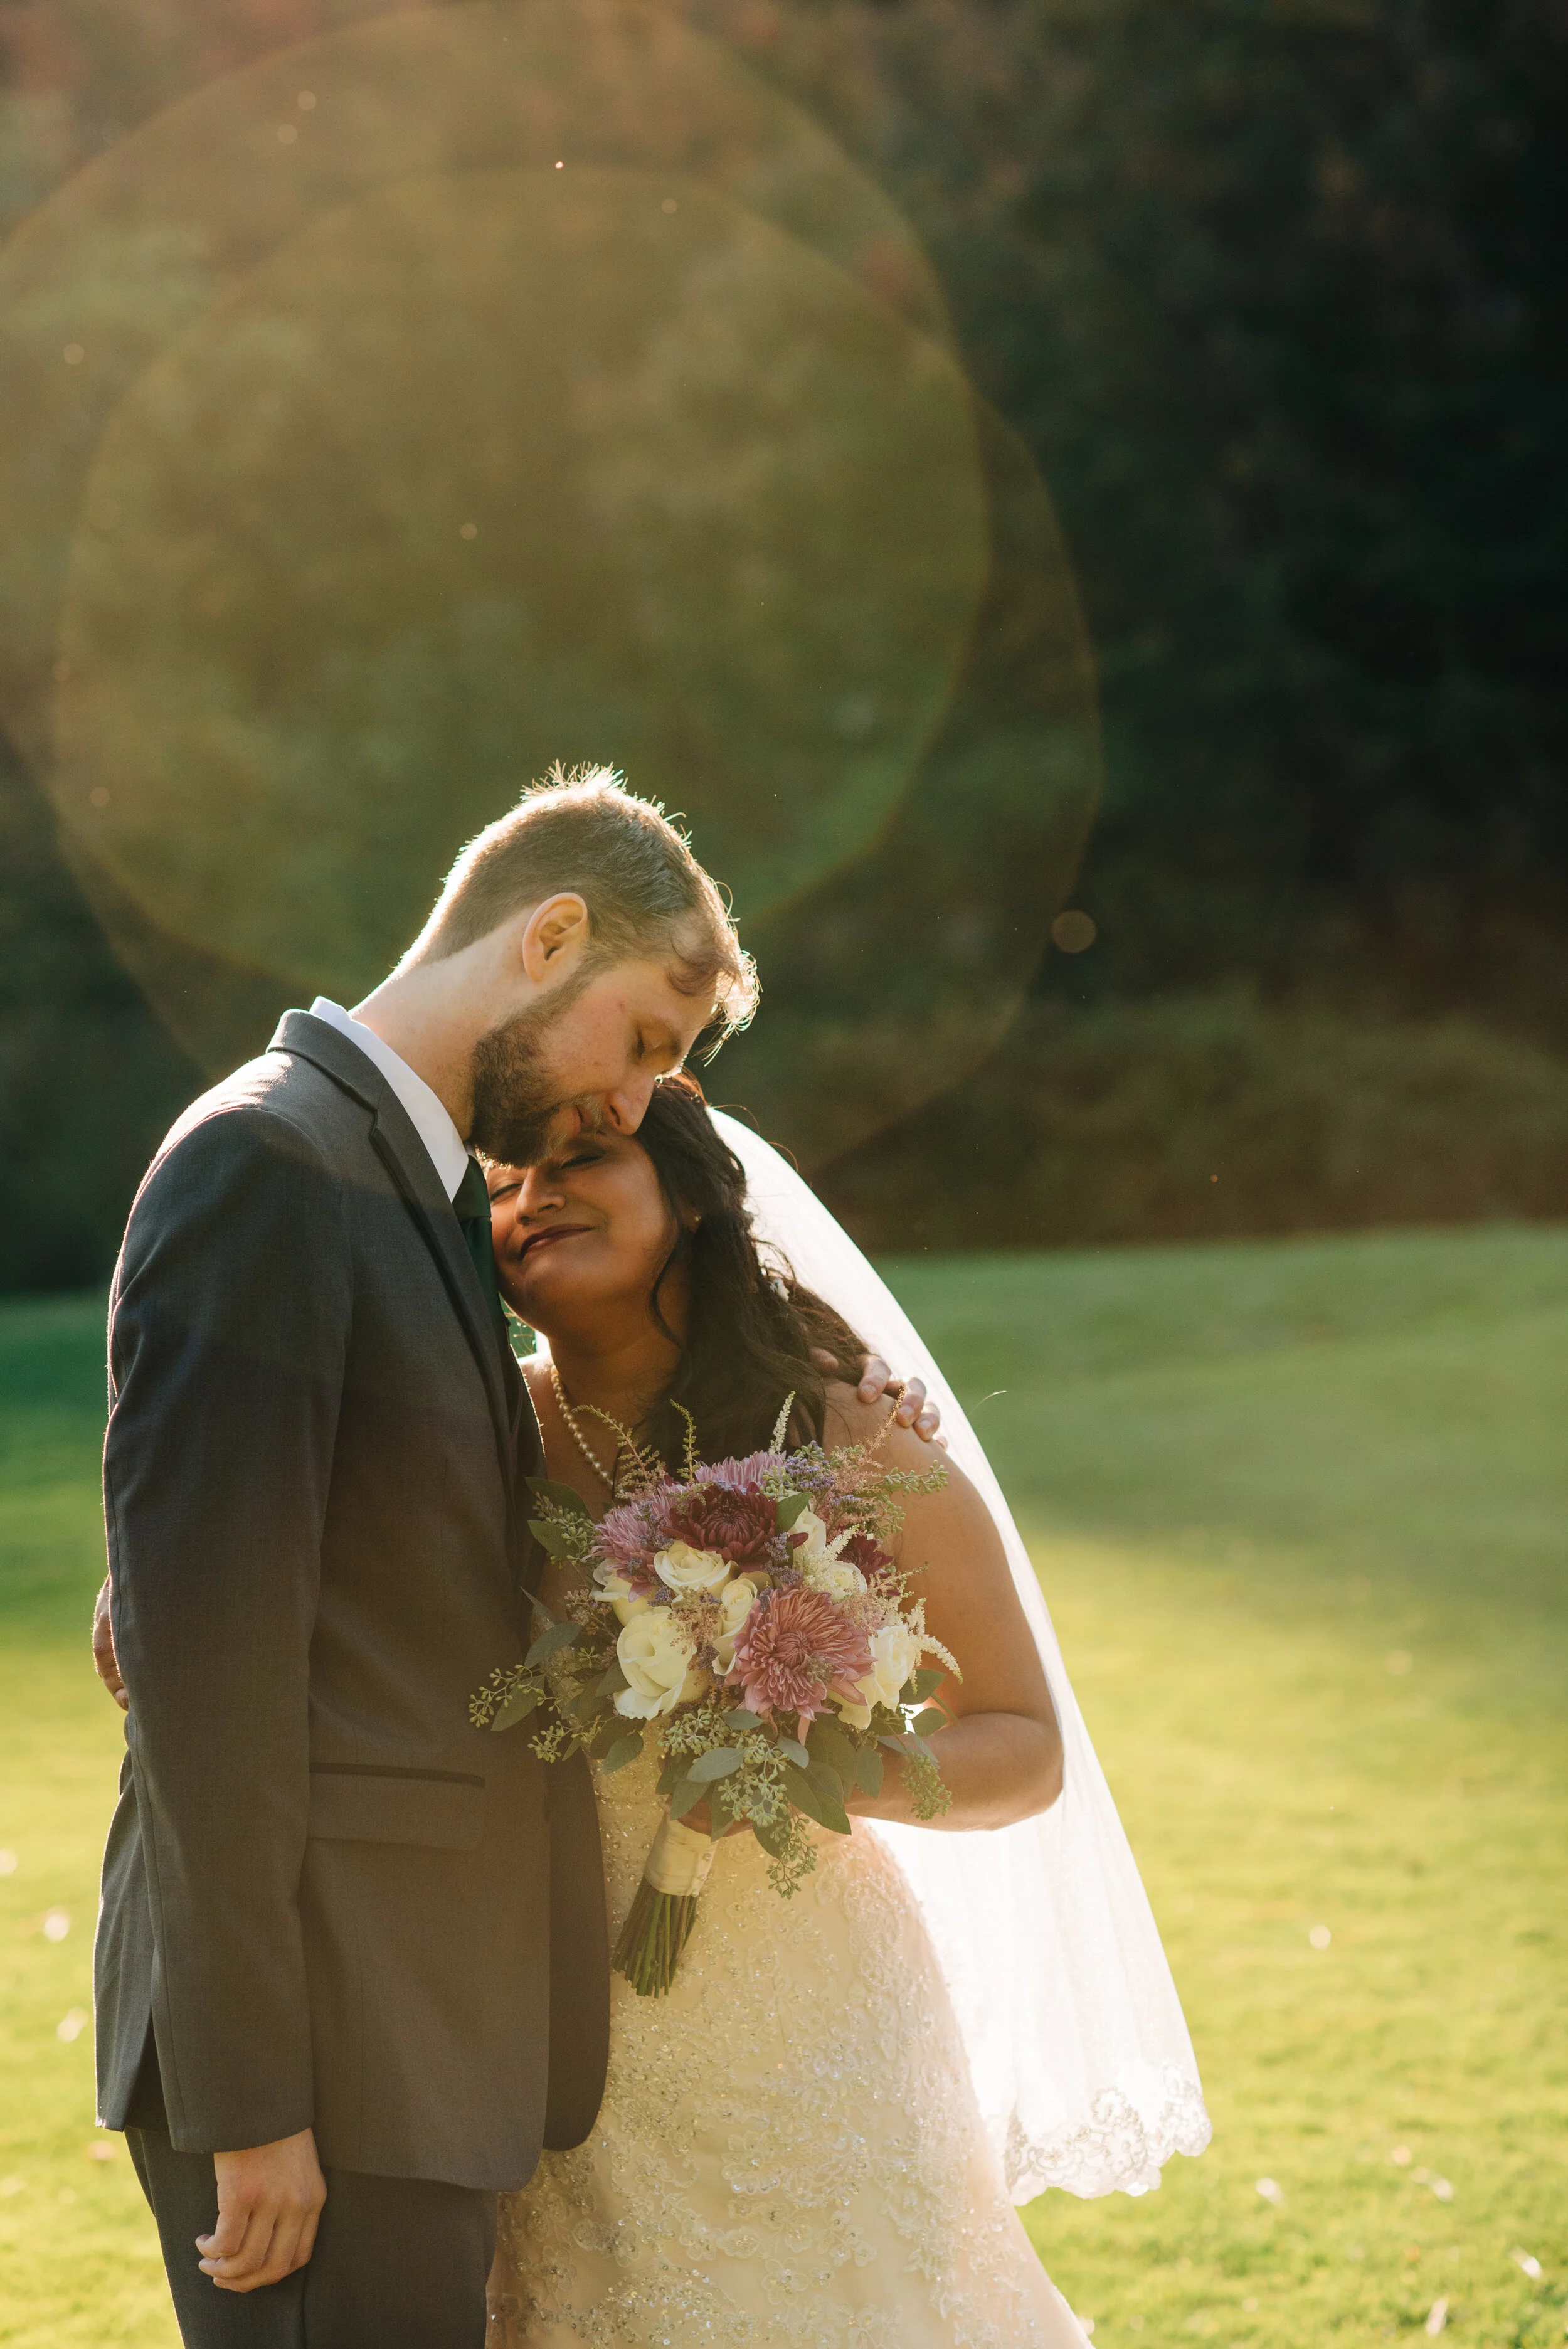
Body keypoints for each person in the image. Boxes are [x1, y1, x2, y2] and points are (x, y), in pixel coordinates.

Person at [88, 768, 940, 2349]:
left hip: (414, 2050)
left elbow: (308, 1537)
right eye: (642, 1045)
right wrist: (254, 2102)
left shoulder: (399, 1189)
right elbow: (212, 1696)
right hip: (321, 2073)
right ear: (549, 937)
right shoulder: (268, 1164)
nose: (631, 1105)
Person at [481, 1076, 1094, 2347]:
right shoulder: (478, 1431)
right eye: (496, 1184)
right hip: (558, 2047)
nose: (531, 1197)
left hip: (811, 2029)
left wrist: (816, 1767)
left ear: (690, 1196)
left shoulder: (847, 1427)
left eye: (578, 1157)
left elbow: (1025, 1747)